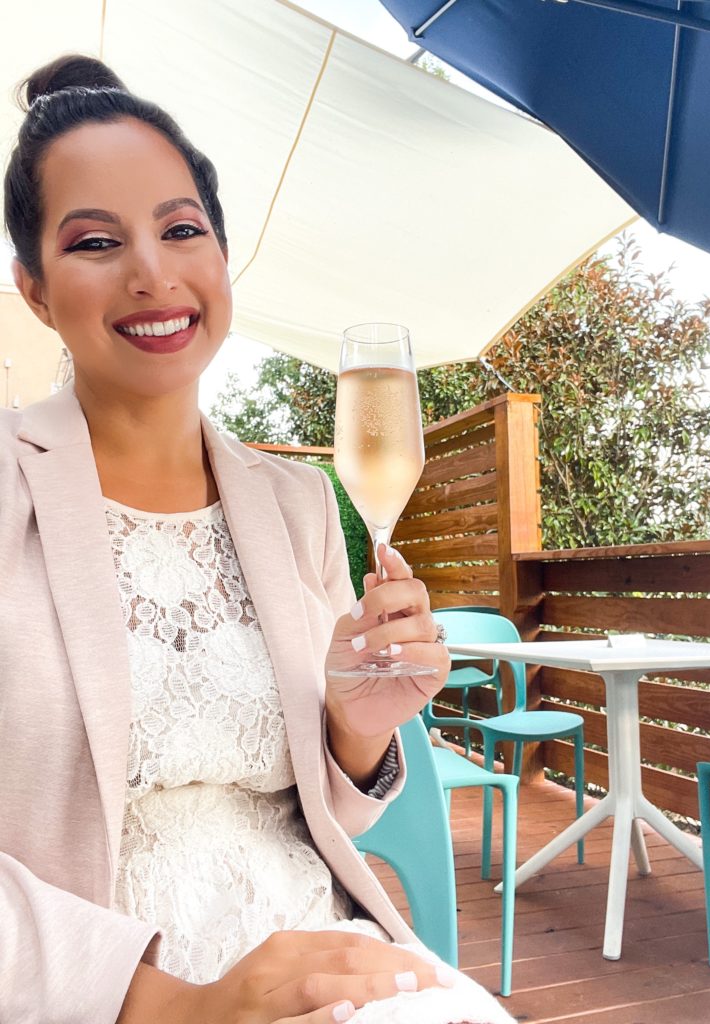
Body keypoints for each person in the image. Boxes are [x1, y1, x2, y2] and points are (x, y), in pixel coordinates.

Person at [0, 54, 515, 1024]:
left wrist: (357, 727)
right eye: (97, 239)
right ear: (34, 286)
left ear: (220, 260)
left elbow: (332, 810)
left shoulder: (296, 504)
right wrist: (172, 1005)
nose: (152, 270)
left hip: (329, 955)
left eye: (181, 228)